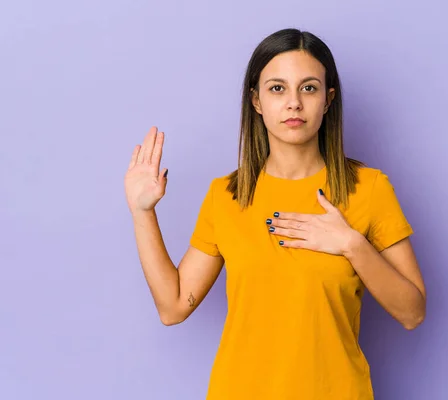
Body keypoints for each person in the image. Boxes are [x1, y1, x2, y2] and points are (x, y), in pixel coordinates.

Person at [124, 28, 426, 400]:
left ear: (328, 100)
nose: (294, 103)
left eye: (309, 88)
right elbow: (172, 307)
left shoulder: (369, 189)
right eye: (277, 88)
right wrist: (142, 213)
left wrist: (352, 244)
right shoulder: (227, 196)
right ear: (256, 101)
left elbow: (413, 313)